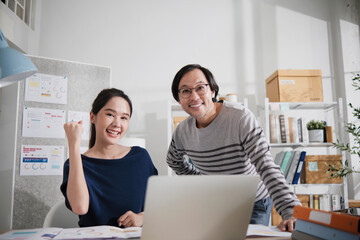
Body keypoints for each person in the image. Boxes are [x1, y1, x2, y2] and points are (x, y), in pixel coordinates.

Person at [166, 64, 301, 232]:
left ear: (213, 91)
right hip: (217, 204)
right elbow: (173, 161)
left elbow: (265, 165)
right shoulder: (182, 132)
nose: (194, 96)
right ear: (179, 99)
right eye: (185, 91)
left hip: (254, 202)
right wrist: (202, 181)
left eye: (200, 88)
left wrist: (291, 211)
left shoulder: (240, 118)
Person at [61, 88, 158, 227]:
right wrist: (73, 145)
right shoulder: (76, 163)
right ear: (92, 117)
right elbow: (80, 207)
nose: (117, 124)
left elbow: (157, 205)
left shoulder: (140, 158)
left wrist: (142, 217)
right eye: (110, 114)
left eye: (124, 117)